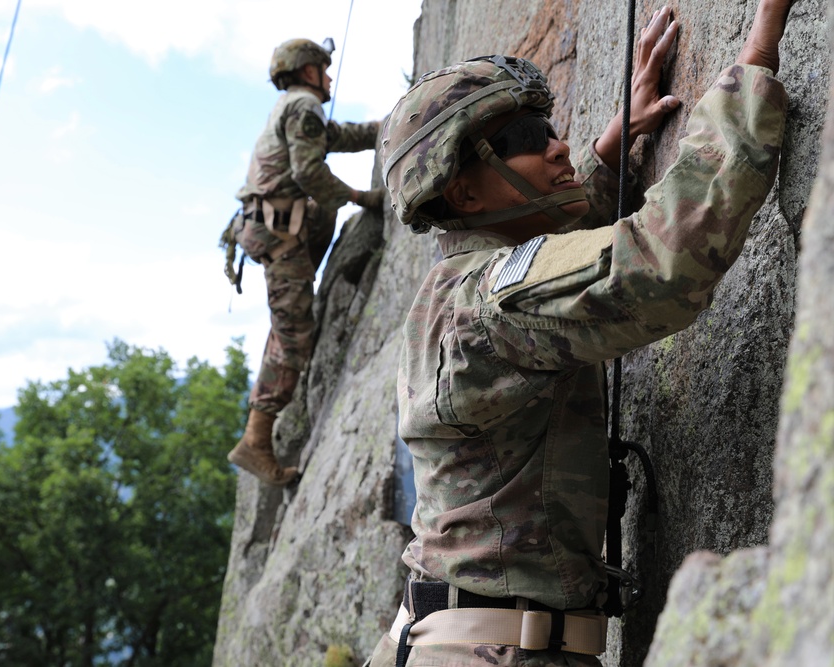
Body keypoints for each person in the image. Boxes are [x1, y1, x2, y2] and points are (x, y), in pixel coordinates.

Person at [365, 0, 794, 665]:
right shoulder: (486, 305)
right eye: (526, 140)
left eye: (550, 128)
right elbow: (660, 262)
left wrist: (603, 159)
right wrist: (757, 59)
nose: (555, 143)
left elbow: (549, 260)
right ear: (467, 194)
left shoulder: (457, 288)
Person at [224, 38, 386, 486]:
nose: (329, 76)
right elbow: (307, 172)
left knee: (289, 319)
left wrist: (388, 126)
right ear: (306, 71)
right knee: (295, 335)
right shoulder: (302, 106)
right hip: (277, 234)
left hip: (273, 227)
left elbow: (339, 137)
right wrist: (362, 198)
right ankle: (255, 442)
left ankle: (293, 305)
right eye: (323, 68)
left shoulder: (294, 109)